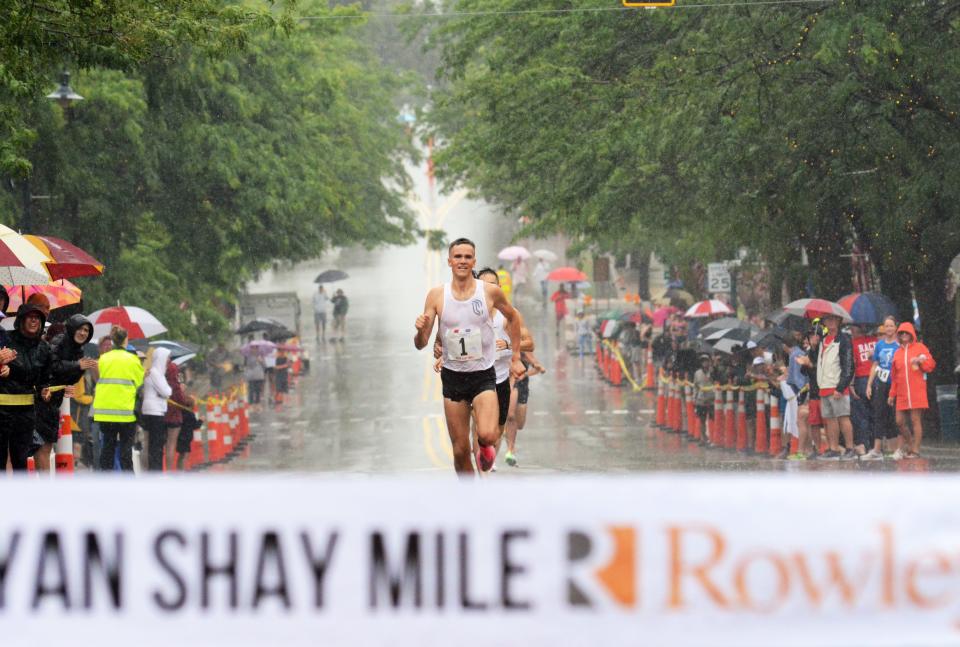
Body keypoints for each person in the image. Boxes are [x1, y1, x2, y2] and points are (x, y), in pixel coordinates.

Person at [415, 237, 524, 475]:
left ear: (473, 261)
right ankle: (469, 499)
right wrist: (421, 329)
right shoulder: (436, 296)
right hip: (453, 378)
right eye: (458, 257)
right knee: (459, 450)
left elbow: (514, 318)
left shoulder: (490, 292)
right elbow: (421, 344)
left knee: (487, 434)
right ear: (450, 261)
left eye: (467, 257)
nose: (462, 261)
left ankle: (486, 447)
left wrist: (515, 356)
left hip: (483, 375)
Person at [34, 315, 97, 473]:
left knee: (45, 447)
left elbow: (68, 376)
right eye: (80, 328)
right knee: (42, 447)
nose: (83, 333)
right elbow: (52, 367)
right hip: (41, 400)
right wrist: (77, 365)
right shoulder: (60, 341)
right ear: (72, 328)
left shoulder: (79, 349)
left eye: (86, 330)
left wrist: (76, 373)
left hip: (54, 402)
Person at [93, 326, 144, 472]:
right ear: (125, 340)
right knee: (125, 452)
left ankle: (107, 482)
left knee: (107, 449)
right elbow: (139, 382)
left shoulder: (103, 359)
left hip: (105, 413)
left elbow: (99, 378)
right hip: (126, 413)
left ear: (113, 341)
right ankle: (128, 483)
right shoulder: (133, 360)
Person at [887, 322, 935, 459]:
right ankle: (911, 444)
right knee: (899, 421)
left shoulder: (920, 348)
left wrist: (920, 361)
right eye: (901, 333)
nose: (904, 335)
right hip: (902, 393)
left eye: (906, 333)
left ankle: (915, 450)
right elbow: (894, 377)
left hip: (917, 391)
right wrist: (892, 394)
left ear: (911, 334)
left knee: (915, 420)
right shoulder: (897, 353)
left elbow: (931, 365)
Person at [815, 313, 856, 460]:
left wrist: (841, 387)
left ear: (839, 321)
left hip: (837, 386)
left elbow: (849, 366)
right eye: (827, 319)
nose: (831, 322)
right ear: (824, 322)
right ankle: (834, 449)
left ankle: (850, 448)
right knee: (830, 419)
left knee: (843, 417)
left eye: (834, 319)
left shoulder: (844, 339)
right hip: (824, 386)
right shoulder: (822, 340)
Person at [865, 316, 900, 460]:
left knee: (894, 417)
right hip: (881, 382)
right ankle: (877, 450)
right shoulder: (879, 345)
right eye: (886, 326)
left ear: (896, 328)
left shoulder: (899, 346)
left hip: (895, 383)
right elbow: (875, 365)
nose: (889, 328)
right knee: (878, 414)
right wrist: (869, 384)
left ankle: (897, 449)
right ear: (883, 328)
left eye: (891, 326)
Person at [141, 347, 173, 471]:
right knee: (156, 446)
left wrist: (163, 393)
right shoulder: (155, 373)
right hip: (154, 412)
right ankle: (155, 471)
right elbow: (167, 391)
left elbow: (165, 392)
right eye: (167, 358)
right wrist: (164, 393)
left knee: (154, 444)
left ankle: (154, 470)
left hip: (154, 411)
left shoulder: (157, 373)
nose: (168, 361)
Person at [164, 351, 196, 470]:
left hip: (160, 412)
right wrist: (186, 400)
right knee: (170, 444)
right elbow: (176, 392)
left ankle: (158, 471)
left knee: (161, 444)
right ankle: (169, 471)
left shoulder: (155, 369)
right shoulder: (172, 368)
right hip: (174, 413)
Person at [849, 324, 878, 455]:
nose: (850, 330)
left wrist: (851, 384)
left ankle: (863, 444)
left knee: (860, 415)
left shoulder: (853, 343)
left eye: (852, 327)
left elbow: (853, 365)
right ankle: (874, 445)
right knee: (875, 413)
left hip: (861, 379)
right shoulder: (876, 341)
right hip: (877, 379)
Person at [693, 354, 713, 445]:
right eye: (703, 361)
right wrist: (694, 398)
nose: (705, 363)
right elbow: (695, 386)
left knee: (712, 419)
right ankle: (703, 438)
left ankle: (712, 437)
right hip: (701, 400)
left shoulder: (712, 372)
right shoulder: (697, 373)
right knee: (702, 420)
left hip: (712, 399)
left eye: (706, 361)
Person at [243, 336, 266, 407]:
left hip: (259, 376)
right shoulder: (248, 356)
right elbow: (249, 365)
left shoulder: (261, 355)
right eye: (253, 347)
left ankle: (257, 403)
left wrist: (261, 361)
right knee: (251, 390)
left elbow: (264, 366)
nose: (255, 349)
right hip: (251, 376)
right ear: (251, 348)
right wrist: (256, 359)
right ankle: (251, 403)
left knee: (258, 390)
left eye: (256, 347)